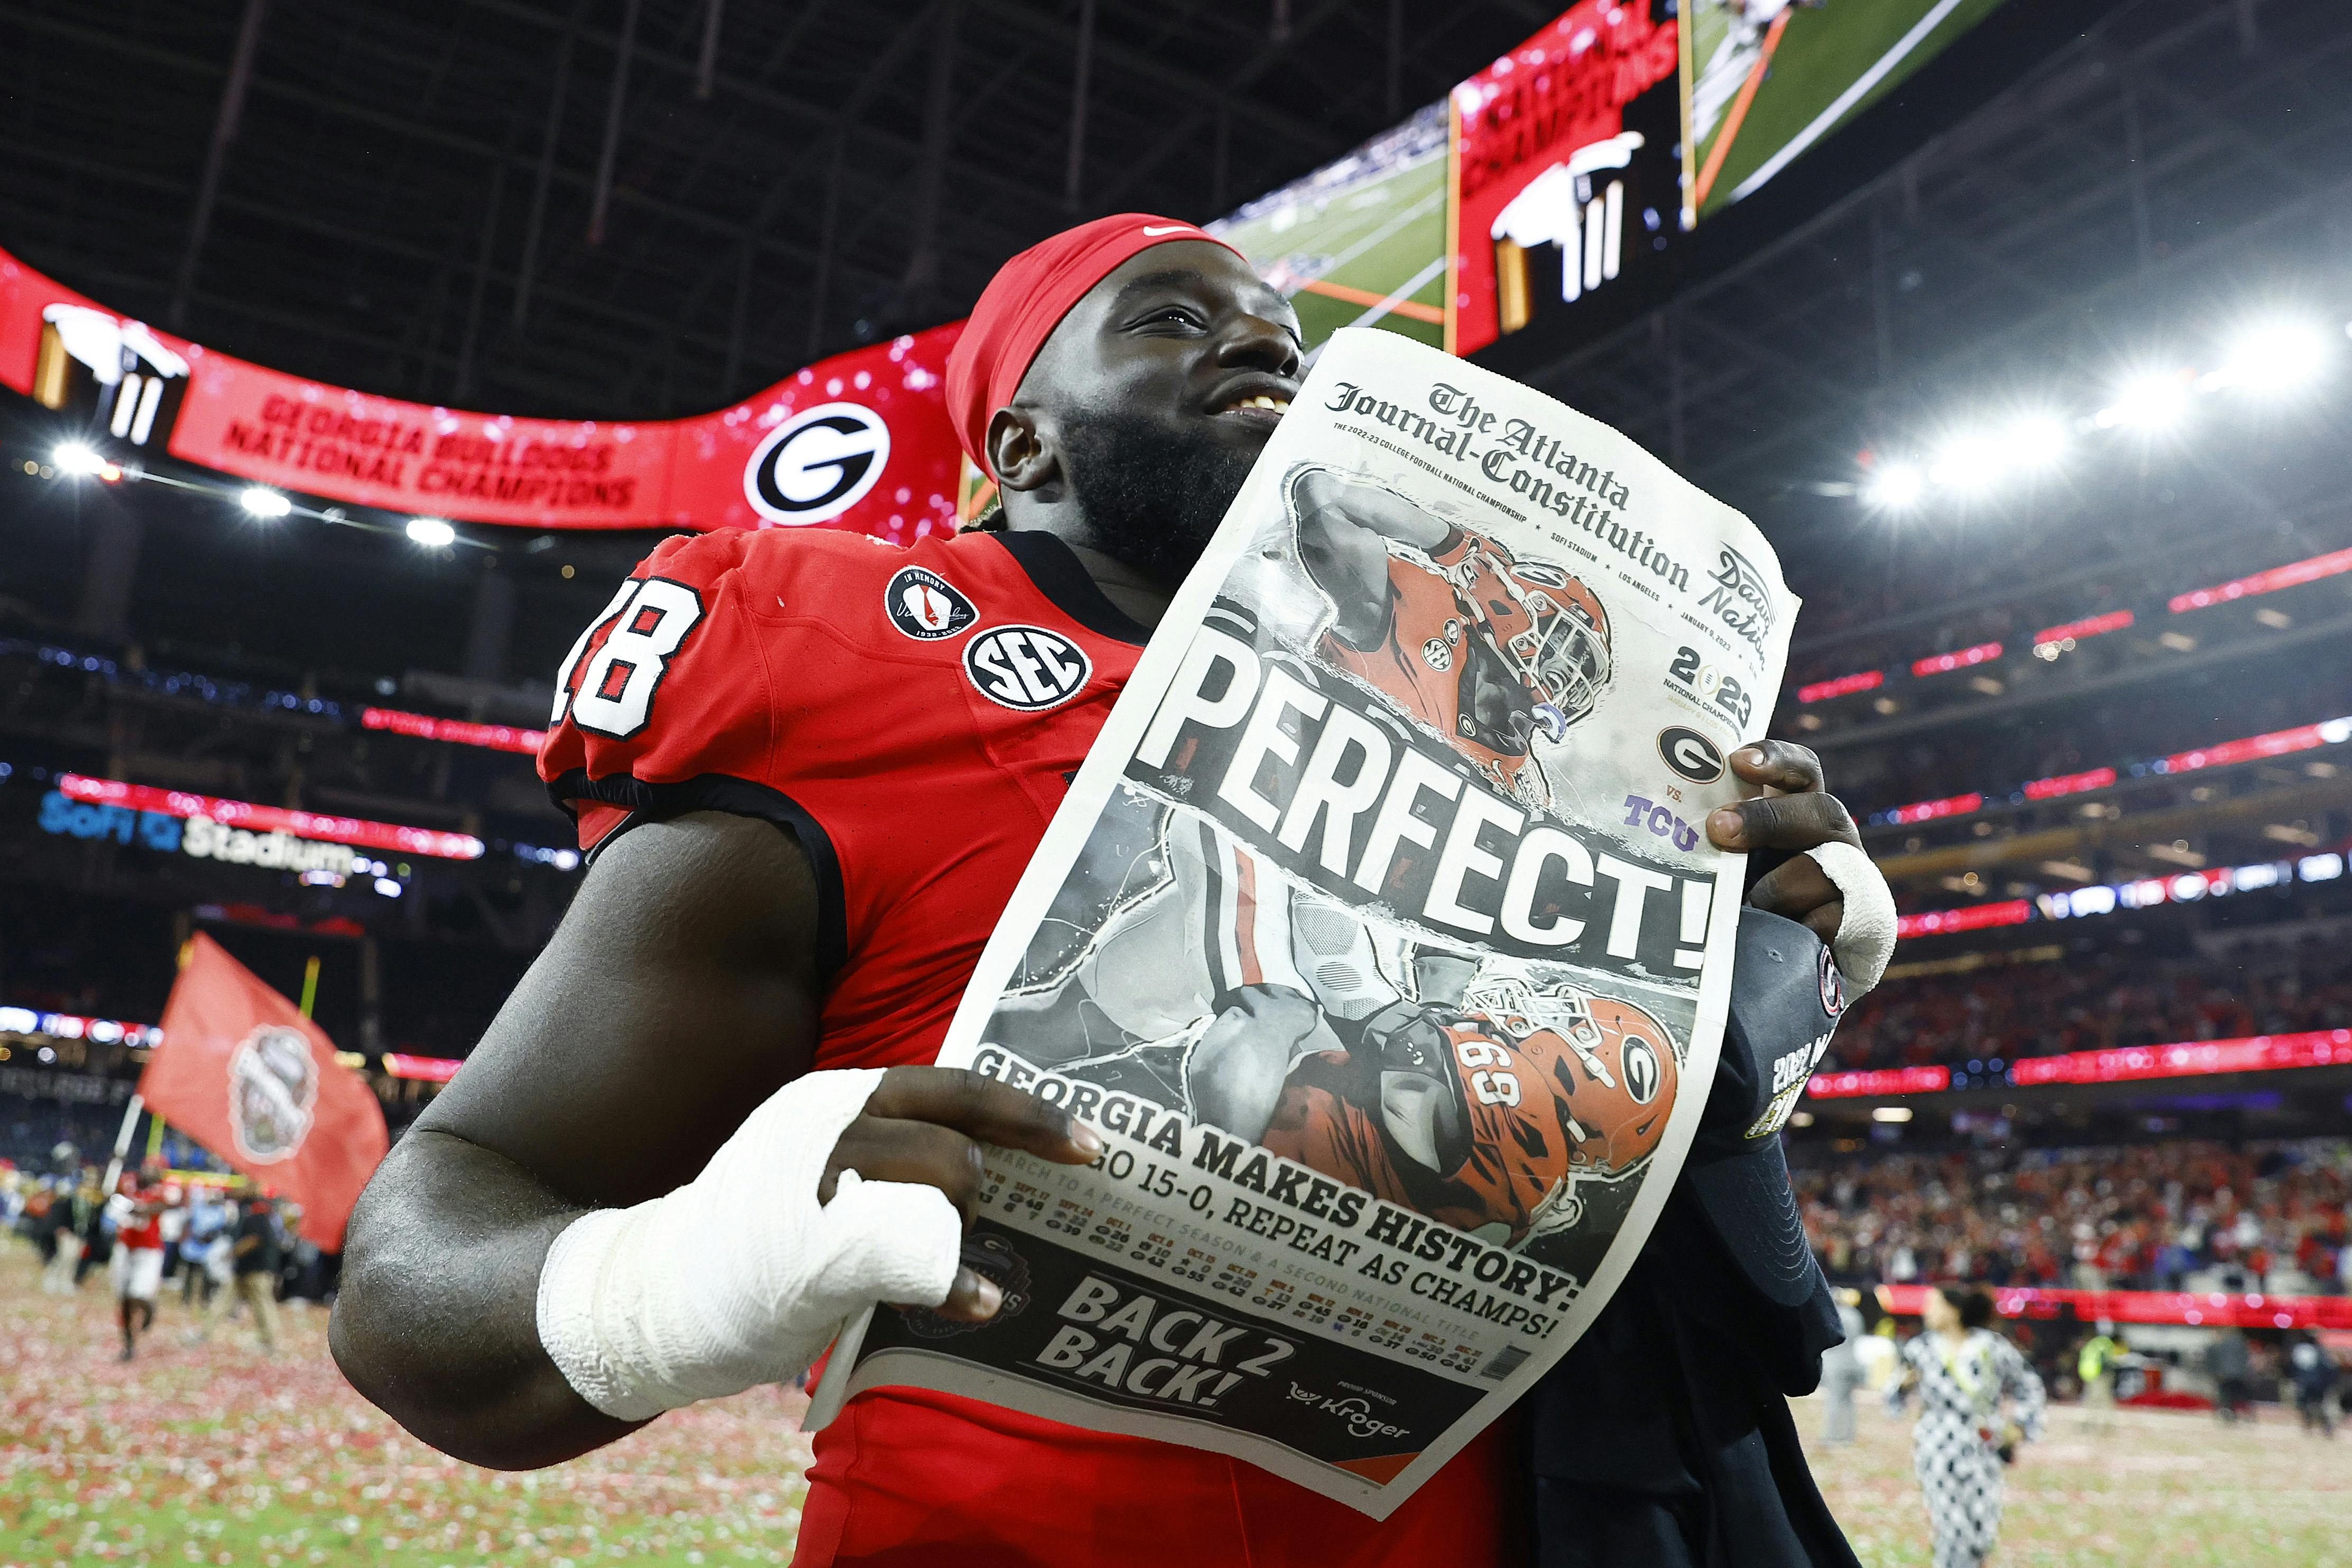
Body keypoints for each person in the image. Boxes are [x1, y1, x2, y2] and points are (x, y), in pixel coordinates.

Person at [331, 213, 1886, 1567]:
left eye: (1286, 338)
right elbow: (418, 1263)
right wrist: (678, 1272)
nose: (1259, 354)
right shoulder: (858, 659)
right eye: (1172, 321)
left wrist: (1767, 972)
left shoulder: (1470, 722)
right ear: (1021, 448)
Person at [1897, 1287, 2044, 1568]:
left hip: (1984, 1443)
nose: (1926, 1311)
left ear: (1954, 1311)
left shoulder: (1993, 1347)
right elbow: (1894, 1391)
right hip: (1937, 1445)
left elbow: (2029, 1386)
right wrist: (1902, 1385)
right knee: (1951, 1525)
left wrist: (2020, 1425)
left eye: (1934, 1305)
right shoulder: (1921, 1348)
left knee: (1981, 1528)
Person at [105, 1170, 169, 1360]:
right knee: (123, 1300)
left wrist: (130, 1206)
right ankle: (129, 1347)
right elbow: (110, 1193)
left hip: (148, 1251)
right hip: (125, 1248)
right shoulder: (127, 1186)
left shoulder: (159, 1193)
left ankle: (149, 1307)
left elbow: (155, 1208)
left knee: (137, 1295)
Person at [217, 1192, 282, 1353]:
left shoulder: (256, 1214)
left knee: (263, 1307)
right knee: (223, 1301)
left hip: (257, 1271)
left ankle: (271, 1343)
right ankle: (204, 1333)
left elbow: (254, 1239)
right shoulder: (260, 1215)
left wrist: (233, 1253)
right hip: (245, 1269)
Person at [1818, 1288, 1867, 1445]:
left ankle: (1832, 1437)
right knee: (1848, 1401)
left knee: (1835, 1401)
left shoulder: (1834, 1315)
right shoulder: (1855, 1315)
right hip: (1853, 1360)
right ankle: (1848, 1436)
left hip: (1836, 1363)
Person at [2076, 1320, 2119, 1431]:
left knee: (2095, 1400)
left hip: (2095, 1377)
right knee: (2099, 1400)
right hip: (2097, 1377)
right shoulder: (2102, 1343)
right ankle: (2101, 1425)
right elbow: (2107, 1361)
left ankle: (2096, 1425)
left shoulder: (2096, 1343)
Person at [2290, 1339, 2337, 1437]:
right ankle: (2310, 1427)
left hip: (2317, 1386)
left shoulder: (2321, 1355)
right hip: (2309, 1385)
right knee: (2307, 1407)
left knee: (2320, 1408)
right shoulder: (2305, 1352)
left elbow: (2330, 1372)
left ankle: (2326, 1428)